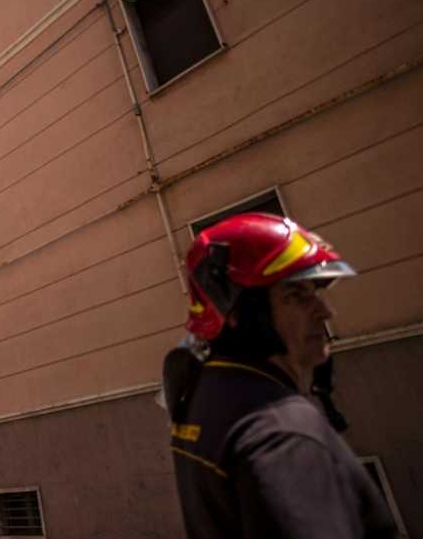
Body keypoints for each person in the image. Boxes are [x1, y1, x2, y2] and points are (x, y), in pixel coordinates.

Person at [162, 213, 398, 538]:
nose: (326, 312)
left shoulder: (204, 394)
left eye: (315, 292)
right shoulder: (281, 433)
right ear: (244, 316)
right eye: (296, 296)